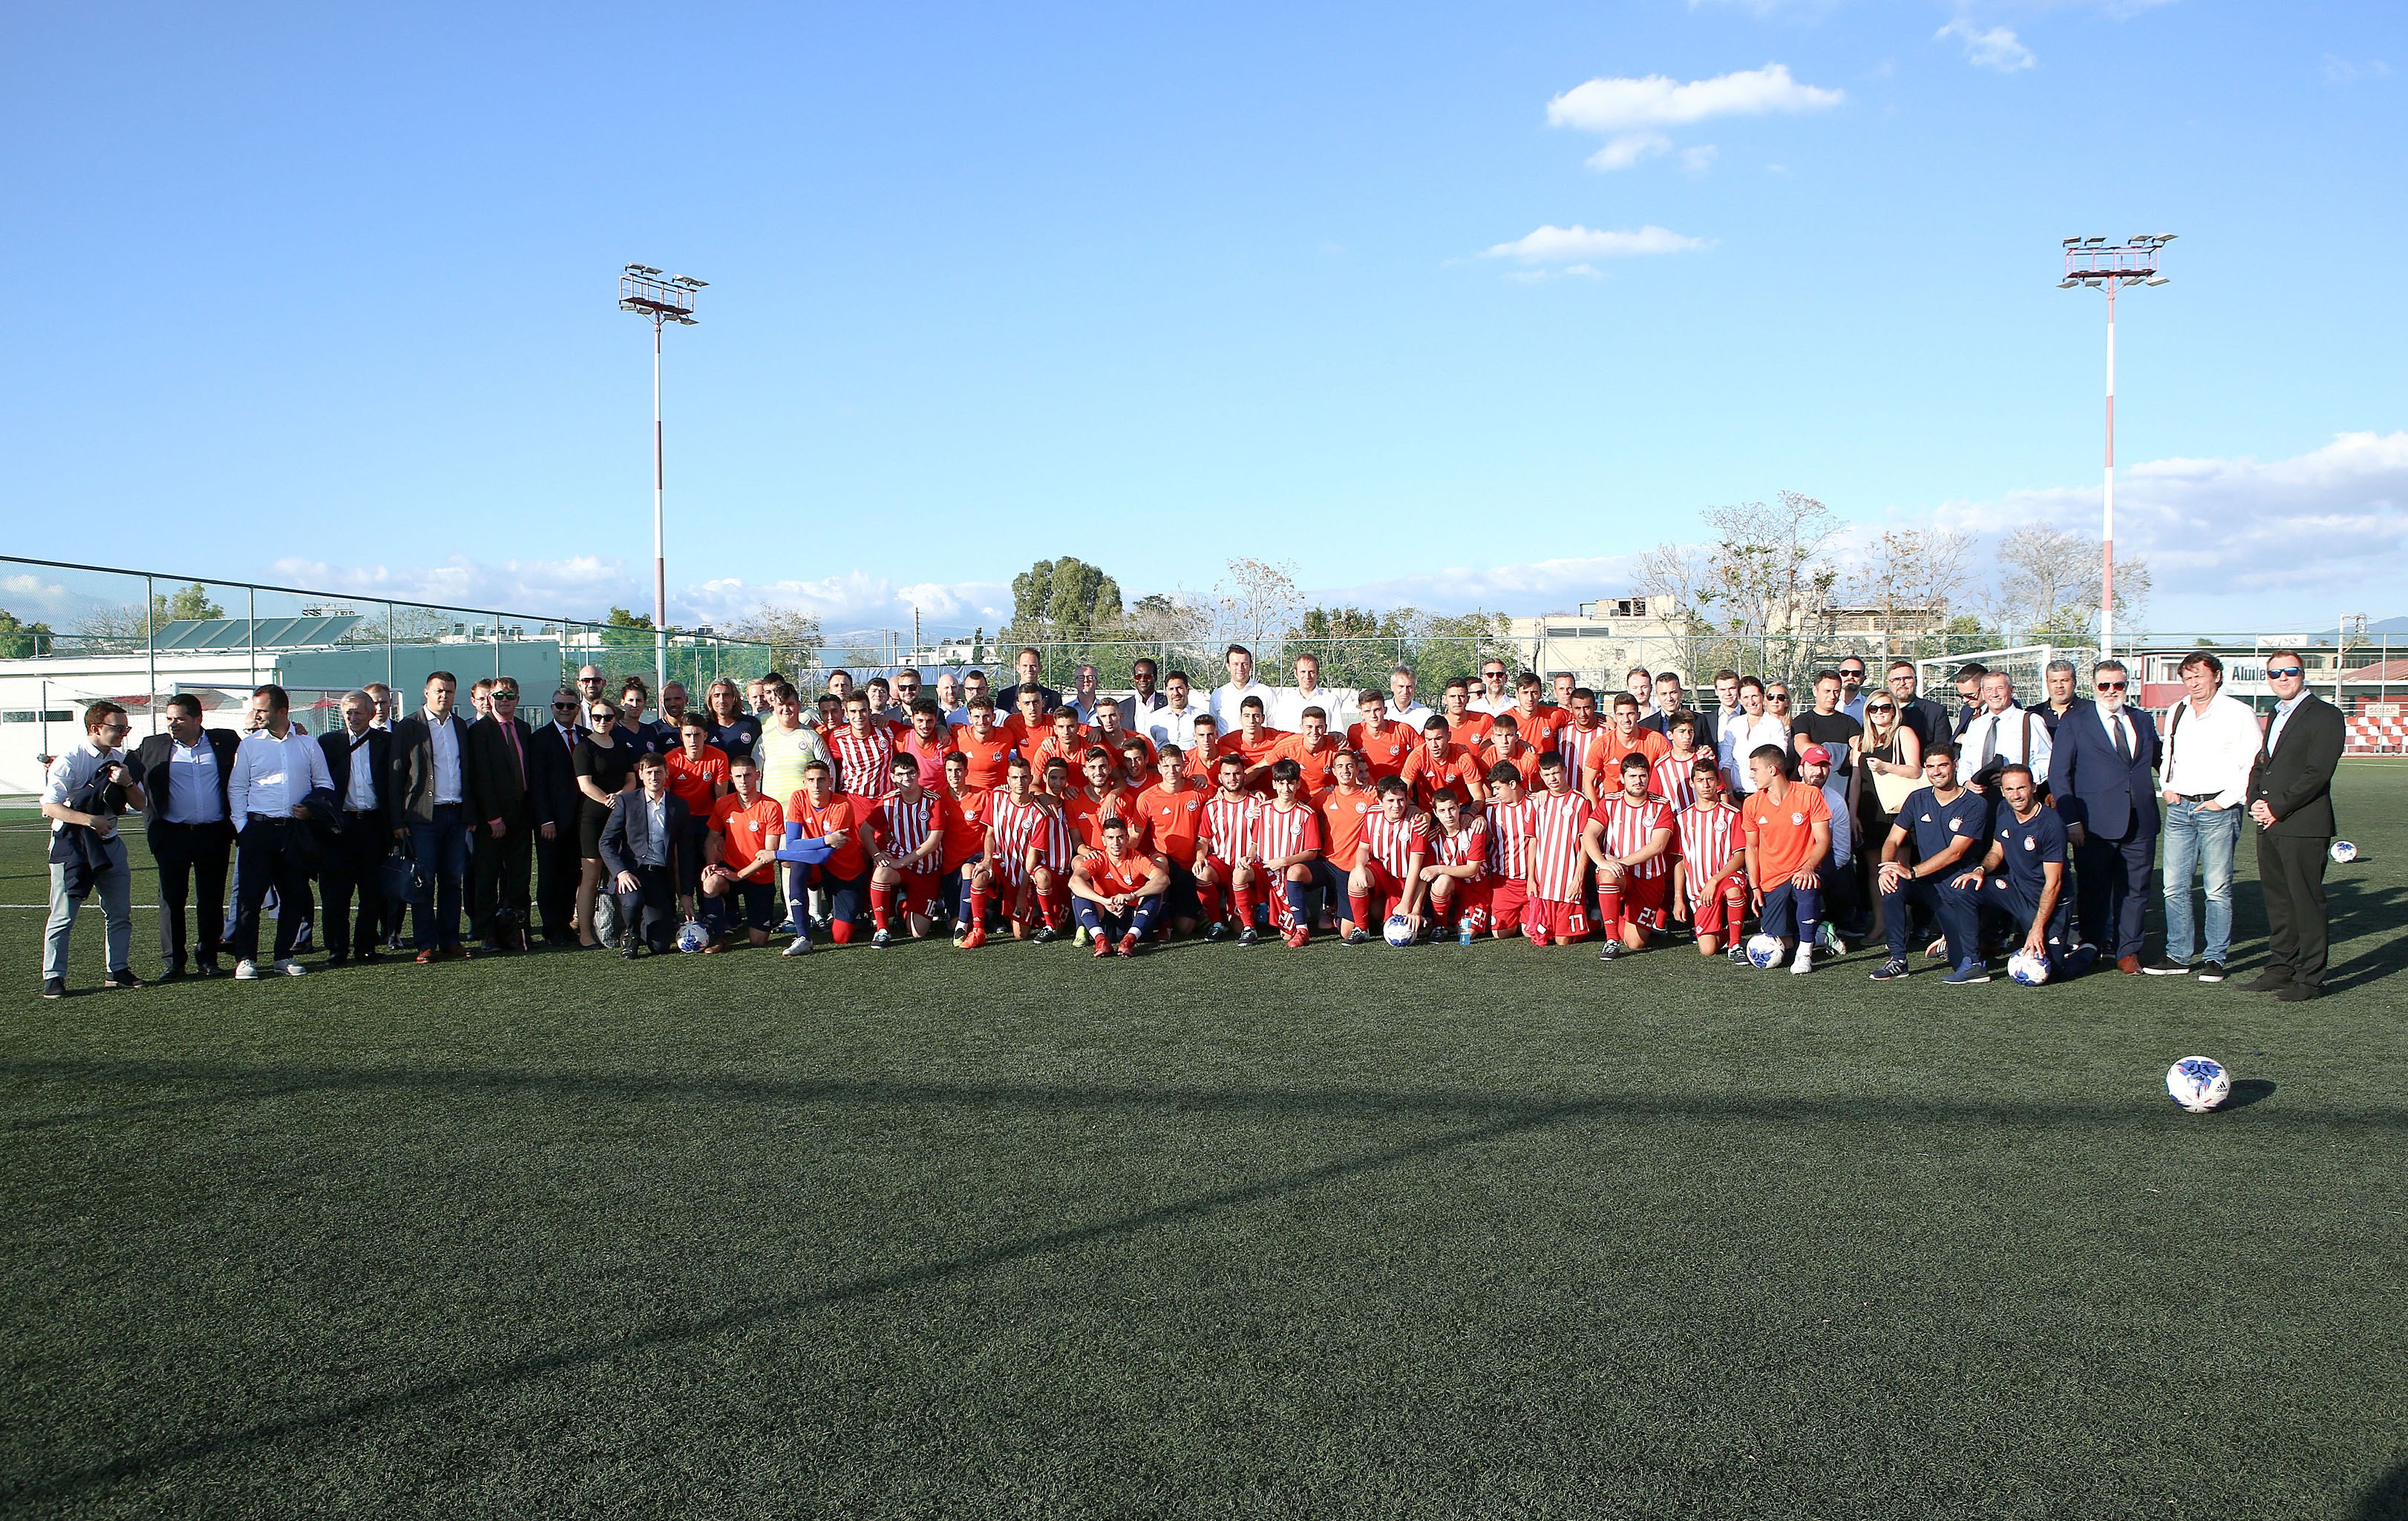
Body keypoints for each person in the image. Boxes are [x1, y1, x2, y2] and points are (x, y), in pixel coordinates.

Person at [2148, 651, 2260, 981]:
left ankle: (2215, 958)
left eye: (2199, 675)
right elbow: (2169, 752)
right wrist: (2168, 786)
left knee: (2216, 889)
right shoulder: (2177, 710)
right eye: (2188, 677)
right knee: (2173, 886)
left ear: (2217, 676)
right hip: (2180, 808)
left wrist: (2223, 802)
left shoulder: (2238, 713)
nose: (2193, 683)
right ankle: (2178, 955)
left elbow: (2253, 763)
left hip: (2218, 810)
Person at [2245, 650, 2346, 1002]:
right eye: (2275, 673)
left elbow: (2318, 773)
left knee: (2306, 903)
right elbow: (2263, 763)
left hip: (2303, 824)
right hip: (2269, 822)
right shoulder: (2276, 713)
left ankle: (2310, 980)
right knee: (2279, 902)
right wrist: (2255, 800)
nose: (2283, 678)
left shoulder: (2326, 715)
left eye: (2290, 671)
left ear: (2303, 674)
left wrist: (2277, 807)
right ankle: (2280, 969)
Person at [2048, 659, 2161, 974]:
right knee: (2093, 890)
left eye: (2118, 685)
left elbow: (2162, 761)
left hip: (2141, 821)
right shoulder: (2076, 721)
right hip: (2093, 824)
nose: (2111, 691)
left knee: (2136, 890)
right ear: (2094, 686)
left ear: (2127, 686)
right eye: (2104, 685)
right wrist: (2072, 821)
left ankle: (2128, 952)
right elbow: (2059, 775)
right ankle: (2091, 946)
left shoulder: (2142, 720)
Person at [39, 701, 148, 998]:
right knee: (63, 914)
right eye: (117, 728)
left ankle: (118, 970)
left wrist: (127, 782)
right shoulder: (71, 760)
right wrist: (90, 820)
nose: (123, 733)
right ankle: (54, 975)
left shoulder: (121, 759)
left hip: (110, 844)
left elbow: (141, 804)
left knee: (119, 912)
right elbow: (49, 806)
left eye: (126, 728)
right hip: (72, 846)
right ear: (95, 728)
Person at [227, 684, 333, 980]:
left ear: (282, 711)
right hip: (258, 830)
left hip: (294, 832)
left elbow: (324, 784)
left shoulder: (308, 744)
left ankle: (283, 955)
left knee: (294, 895)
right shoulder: (250, 745)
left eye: (262, 710)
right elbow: (237, 787)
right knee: (249, 899)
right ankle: (246, 958)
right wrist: (243, 827)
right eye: (255, 710)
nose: (256, 715)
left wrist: (311, 809)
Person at [132, 693, 238, 979]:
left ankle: (208, 958)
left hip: (213, 834)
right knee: (171, 899)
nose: (173, 724)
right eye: (169, 718)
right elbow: (122, 765)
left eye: (179, 718)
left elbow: (257, 749)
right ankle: (174, 962)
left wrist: (296, 729)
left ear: (198, 719)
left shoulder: (226, 740)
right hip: (172, 835)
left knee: (211, 899)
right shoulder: (152, 745)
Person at [1868, 745, 1988, 983]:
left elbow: (1955, 852)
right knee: (1891, 885)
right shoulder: (1918, 798)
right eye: (1931, 767)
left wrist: (1913, 872)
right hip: (1926, 883)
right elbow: (1893, 839)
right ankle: (1897, 960)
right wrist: (1887, 868)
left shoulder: (1974, 804)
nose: (1937, 772)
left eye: (1943, 765)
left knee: (1960, 961)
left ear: (1955, 765)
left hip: (1958, 883)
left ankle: (1952, 942)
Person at [390, 671, 480, 964]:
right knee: (424, 881)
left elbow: (468, 772)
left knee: (453, 881)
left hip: (456, 814)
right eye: (439, 691)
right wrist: (398, 821)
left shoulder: (459, 726)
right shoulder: (410, 726)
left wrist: (469, 812)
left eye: (449, 691)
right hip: (423, 817)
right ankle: (425, 944)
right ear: (426, 692)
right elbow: (396, 775)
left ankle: (450, 940)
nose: (444, 696)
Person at [1966, 763, 2075, 978]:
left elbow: (2053, 884)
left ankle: (2086, 950)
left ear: (2033, 788)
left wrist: (2037, 928)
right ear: (2002, 791)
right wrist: (1980, 869)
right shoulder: (2005, 813)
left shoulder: (2051, 825)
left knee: (2050, 972)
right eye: (2009, 789)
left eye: (2021, 788)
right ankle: (1966, 953)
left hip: (2048, 900)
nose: (2015, 795)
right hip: (2017, 891)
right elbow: (1996, 852)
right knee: (1965, 886)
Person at [318, 690, 396, 966]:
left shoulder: (386, 741)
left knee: (372, 891)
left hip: (374, 825)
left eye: (358, 713)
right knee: (335, 893)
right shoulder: (328, 743)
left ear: (371, 713)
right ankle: (337, 949)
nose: (353, 718)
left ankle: (366, 946)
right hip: (340, 827)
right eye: (348, 713)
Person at [1741, 744, 1830, 975]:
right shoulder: (1751, 804)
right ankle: (1822, 935)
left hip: (1803, 871)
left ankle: (1805, 954)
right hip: (1772, 880)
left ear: (1772, 770)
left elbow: (1823, 840)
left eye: (1754, 770)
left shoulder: (1810, 795)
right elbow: (1752, 847)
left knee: (1806, 886)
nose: (1751, 776)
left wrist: (1809, 867)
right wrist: (1755, 886)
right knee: (1782, 950)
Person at [598, 751, 693, 958]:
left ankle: (644, 922)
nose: (653, 777)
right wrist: (620, 872)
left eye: (658, 772)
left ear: (666, 774)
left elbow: (685, 853)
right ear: (640, 775)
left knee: (660, 946)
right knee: (633, 901)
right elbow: (606, 842)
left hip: (659, 875)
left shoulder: (679, 806)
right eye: (649, 772)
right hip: (631, 872)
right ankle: (631, 933)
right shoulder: (626, 802)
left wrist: (686, 894)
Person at [465, 678, 535, 953]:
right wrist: (493, 817)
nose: (504, 700)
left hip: (521, 812)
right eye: (498, 695)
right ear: (490, 698)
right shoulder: (480, 730)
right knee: (487, 876)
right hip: (492, 817)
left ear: (517, 699)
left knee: (519, 877)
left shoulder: (524, 728)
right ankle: (487, 933)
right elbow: (481, 777)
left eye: (510, 695)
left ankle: (516, 931)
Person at [1583, 753, 1674, 961]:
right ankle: (1611, 940)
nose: (1638, 781)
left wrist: (1620, 862)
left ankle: (1612, 915)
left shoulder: (1661, 805)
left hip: (1649, 877)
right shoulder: (1610, 802)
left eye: (1642, 776)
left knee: (1636, 943)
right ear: (1622, 778)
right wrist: (1602, 862)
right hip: (1618, 874)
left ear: (1649, 777)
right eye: (1632, 776)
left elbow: (1658, 846)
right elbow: (1589, 834)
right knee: (1608, 874)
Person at [978, 755, 1075, 944]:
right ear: (1044, 778)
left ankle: (1051, 921)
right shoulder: (1034, 804)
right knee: (1020, 934)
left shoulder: (1071, 802)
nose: (1057, 782)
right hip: (1036, 871)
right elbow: (991, 833)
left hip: (1062, 874)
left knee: (1060, 927)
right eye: (1053, 778)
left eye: (1062, 778)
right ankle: (978, 926)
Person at [1854, 687, 1923, 938]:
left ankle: (1902, 924)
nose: (1880, 713)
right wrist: (1852, 813)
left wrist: (1886, 766)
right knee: (1875, 871)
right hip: (1870, 811)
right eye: (1874, 708)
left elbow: (1916, 770)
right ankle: (1880, 925)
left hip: (1897, 810)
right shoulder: (1862, 741)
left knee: (1899, 868)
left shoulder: (1903, 733)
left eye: (1885, 707)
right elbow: (1856, 780)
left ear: (1894, 711)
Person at [570, 696, 638, 949]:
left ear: (614, 719)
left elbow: (631, 780)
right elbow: (585, 785)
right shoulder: (584, 747)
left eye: (607, 717)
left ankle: (624, 928)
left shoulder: (621, 745)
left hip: (620, 816)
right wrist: (608, 801)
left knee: (621, 869)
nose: (602, 721)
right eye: (597, 717)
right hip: (593, 818)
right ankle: (585, 933)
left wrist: (619, 798)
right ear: (590, 718)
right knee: (591, 874)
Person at [868, 755, 952, 945]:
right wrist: (876, 854)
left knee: (918, 932)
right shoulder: (888, 801)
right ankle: (882, 930)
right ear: (892, 777)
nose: (906, 778)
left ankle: (902, 902)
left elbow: (933, 842)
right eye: (900, 774)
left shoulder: (933, 801)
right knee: (881, 872)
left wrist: (900, 862)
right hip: (901, 867)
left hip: (927, 870)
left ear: (918, 773)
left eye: (911, 773)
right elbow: (865, 831)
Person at [528, 687, 586, 946]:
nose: (565, 710)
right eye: (560, 705)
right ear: (552, 708)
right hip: (551, 822)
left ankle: (565, 925)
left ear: (577, 708)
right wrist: (545, 819)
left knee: (572, 875)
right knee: (550, 875)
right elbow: (537, 784)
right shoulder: (540, 738)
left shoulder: (586, 736)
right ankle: (552, 929)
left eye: (570, 706)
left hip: (580, 820)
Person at [1134, 744, 1211, 938]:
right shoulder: (1147, 798)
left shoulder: (1198, 790)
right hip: (1165, 859)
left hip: (1192, 865)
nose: (1172, 771)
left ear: (1184, 765)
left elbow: (1224, 797)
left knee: (1185, 928)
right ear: (1159, 768)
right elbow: (1135, 835)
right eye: (1167, 766)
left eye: (1176, 765)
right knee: (1159, 863)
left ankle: (1198, 913)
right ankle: (1163, 921)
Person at [1677, 762, 1750, 961]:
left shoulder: (1731, 814)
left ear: (1718, 782)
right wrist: (1678, 897)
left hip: (1726, 877)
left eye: (1710, 779)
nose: (1706, 785)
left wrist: (1715, 880)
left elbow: (1740, 857)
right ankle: (1728, 931)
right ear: (1692, 784)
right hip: (1700, 891)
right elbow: (1680, 860)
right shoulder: (1683, 819)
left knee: (1733, 890)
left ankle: (1735, 945)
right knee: (1708, 949)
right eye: (1700, 780)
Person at [1069, 815, 1171, 957]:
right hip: (1105, 916)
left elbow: (1163, 879)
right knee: (1079, 889)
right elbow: (1074, 881)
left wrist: (1132, 896)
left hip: (1134, 919)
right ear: (1104, 840)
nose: (1116, 843)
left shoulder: (1137, 858)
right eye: (1110, 838)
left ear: (1127, 838)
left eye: (1120, 837)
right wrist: (1104, 901)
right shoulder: (1099, 859)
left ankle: (1130, 940)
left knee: (1156, 889)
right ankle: (1100, 940)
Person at [1344, 777, 1430, 944]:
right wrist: (1359, 866)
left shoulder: (1416, 822)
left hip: (1405, 881)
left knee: (1400, 922)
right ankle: (1361, 929)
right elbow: (1363, 847)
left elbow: (1415, 867)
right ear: (1380, 801)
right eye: (1391, 801)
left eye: (1401, 800)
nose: (1396, 805)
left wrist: (1406, 903)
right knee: (1355, 877)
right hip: (1382, 874)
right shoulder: (1372, 815)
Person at [1253, 760, 1327, 946]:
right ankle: (1247, 926)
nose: (1286, 788)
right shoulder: (1262, 810)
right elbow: (1255, 842)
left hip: (1287, 871)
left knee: (1286, 935)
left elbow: (1312, 852)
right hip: (1266, 871)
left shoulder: (1306, 813)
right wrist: (1248, 856)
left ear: (1298, 784)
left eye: (1291, 783)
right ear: (1274, 784)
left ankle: (1300, 925)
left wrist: (1285, 861)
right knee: (1240, 873)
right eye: (1281, 783)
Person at [1523, 753, 1591, 946]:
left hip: (1567, 881)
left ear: (1565, 771)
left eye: (1555, 773)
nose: (1552, 779)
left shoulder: (1580, 802)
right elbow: (1533, 841)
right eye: (1546, 775)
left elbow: (1586, 844)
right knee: (1538, 937)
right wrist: (1530, 878)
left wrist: (1578, 879)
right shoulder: (1539, 802)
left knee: (1563, 941)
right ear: (1541, 776)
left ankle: (1595, 923)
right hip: (1543, 882)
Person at [1197, 754, 1262, 940]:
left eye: (1237, 773)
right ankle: (1216, 924)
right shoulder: (1212, 806)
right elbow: (1203, 839)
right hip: (1221, 864)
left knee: (1237, 928)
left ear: (1244, 775)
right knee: (1202, 873)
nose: (1232, 778)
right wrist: (1199, 857)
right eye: (1227, 774)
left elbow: (1260, 840)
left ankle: (1248, 921)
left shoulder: (1258, 804)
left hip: (1245, 867)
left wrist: (1249, 857)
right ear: (1220, 778)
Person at [1957, 671, 2050, 797]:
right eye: (1989, 689)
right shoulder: (1976, 724)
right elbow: (1965, 762)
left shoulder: (2030, 721)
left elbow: (2046, 761)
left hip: (2016, 797)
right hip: (1979, 797)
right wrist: (1966, 782)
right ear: (1983, 693)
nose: (1994, 694)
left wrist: (2018, 780)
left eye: (2000, 688)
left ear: (2012, 690)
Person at [1420, 786, 1489, 943]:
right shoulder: (1432, 837)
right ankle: (1441, 926)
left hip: (1475, 887)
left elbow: (1472, 870)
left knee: (1466, 934)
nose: (1448, 815)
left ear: (1459, 808)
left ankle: (1457, 917)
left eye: (1452, 809)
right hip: (1452, 885)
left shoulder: (1474, 829)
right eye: (1442, 811)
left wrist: (1439, 868)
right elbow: (1426, 875)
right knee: (1442, 881)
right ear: (1435, 813)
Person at [1480, 763, 1536, 942]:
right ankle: (1517, 917)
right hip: (1504, 882)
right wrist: (1473, 817)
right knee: (1501, 933)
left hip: (1532, 880)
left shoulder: (1537, 803)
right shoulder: (1490, 808)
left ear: (1512, 784)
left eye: (1498, 788)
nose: (1494, 793)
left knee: (1530, 932)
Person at [755, 682, 831, 808]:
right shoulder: (764, 739)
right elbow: (755, 777)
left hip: (805, 812)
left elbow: (828, 772)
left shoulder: (812, 736)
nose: (785, 709)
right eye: (781, 705)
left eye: (790, 704)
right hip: (772, 813)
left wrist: (824, 807)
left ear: (799, 706)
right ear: (774, 707)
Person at [1400, 716, 1488, 817]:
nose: (1433, 745)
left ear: (1449, 736)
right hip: (1428, 810)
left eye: (1438, 739)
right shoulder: (1418, 756)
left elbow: (1478, 796)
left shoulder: (1462, 757)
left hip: (1459, 809)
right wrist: (1412, 806)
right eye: (1429, 739)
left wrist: (1470, 814)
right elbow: (1401, 791)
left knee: (1478, 824)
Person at [1790, 670, 1864, 785]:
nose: (1832, 696)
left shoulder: (1850, 722)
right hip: (1811, 784)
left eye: (1836, 691)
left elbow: (1859, 752)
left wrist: (1823, 754)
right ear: (1815, 691)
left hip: (1842, 787)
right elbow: (1805, 749)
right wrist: (1843, 754)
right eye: (1827, 691)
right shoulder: (1802, 721)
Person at [1719, 678, 1787, 800]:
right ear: (1740, 700)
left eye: (1755, 696)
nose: (1751, 702)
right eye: (1746, 697)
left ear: (1763, 697)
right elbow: (1725, 763)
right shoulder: (1734, 725)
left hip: (1765, 795)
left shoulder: (1775, 725)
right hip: (1736, 795)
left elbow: (1778, 762)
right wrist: (1730, 797)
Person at [1885, 661, 1951, 759]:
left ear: (1916, 680)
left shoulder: (1935, 712)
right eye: (1896, 679)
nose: (1902, 683)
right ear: (1889, 683)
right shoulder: (1877, 711)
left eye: (1908, 678)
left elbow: (1942, 750)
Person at [1347, 690, 1419, 782]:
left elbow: (1424, 753)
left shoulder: (1402, 730)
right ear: (1362, 714)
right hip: (1369, 788)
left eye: (1377, 710)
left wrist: (1409, 780)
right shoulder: (1355, 732)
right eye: (1367, 711)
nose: (1373, 715)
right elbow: (1346, 758)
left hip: (1398, 789)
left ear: (1385, 710)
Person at [1276, 652, 1350, 731]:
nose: (1307, 676)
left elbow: (1337, 732)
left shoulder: (1331, 700)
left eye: (1311, 672)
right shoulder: (1285, 700)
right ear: (1296, 673)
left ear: (1318, 673)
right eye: (1303, 672)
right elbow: (1279, 732)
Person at [1209, 644, 1278, 730]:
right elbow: (1213, 729)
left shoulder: (1266, 693)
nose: (1240, 668)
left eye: (1244, 664)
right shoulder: (1217, 695)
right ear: (1228, 666)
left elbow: (1274, 727)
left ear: (1251, 665)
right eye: (1235, 664)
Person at [701, 678, 762, 762]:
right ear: (710, 701)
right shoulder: (703, 726)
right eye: (717, 695)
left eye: (726, 695)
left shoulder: (751, 724)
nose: (722, 700)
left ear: (734, 699)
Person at [1115, 658, 1166, 729]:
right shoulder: (1121, 707)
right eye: (1138, 676)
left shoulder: (1168, 704)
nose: (1142, 679)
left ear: (1155, 678)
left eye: (1147, 676)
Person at [2037, 658, 2081, 736]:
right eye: (2054, 681)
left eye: (2065, 680)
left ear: (2074, 682)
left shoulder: (2092, 711)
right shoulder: (2035, 713)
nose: (2059, 686)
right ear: (2047, 683)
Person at [1012, 647, 1063, 713]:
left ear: (1040, 668)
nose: (1029, 669)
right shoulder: (1005, 697)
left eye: (1033, 666)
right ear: (1018, 668)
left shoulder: (1054, 698)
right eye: (1025, 666)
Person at [1386, 666, 1433, 731]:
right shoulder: (1380, 711)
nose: (1405, 691)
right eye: (1401, 686)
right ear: (1392, 687)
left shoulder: (1426, 715)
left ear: (1415, 688)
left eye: (1409, 687)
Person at [1949, 663, 1987, 739]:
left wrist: (1964, 739)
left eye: (1970, 695)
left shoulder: (1998, 711)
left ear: (1985, 688)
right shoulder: (1966, 710)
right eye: (1961, 695)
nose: (1965, 700)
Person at [1835, 657, 1869, 722]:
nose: (1850, 677)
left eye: (1856, 673)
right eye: (1845, 673)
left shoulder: (1869, 706)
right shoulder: (1828, 703)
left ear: (1863, 678)